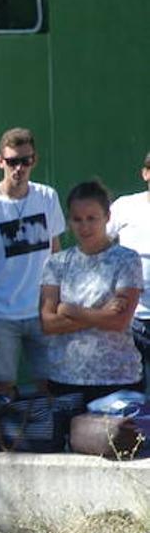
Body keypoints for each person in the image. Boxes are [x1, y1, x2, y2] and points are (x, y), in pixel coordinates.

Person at [0, 127, 65, 433]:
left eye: (25, 160)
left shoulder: (47, 197)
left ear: (34, 160)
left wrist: (58, 305)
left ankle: (53, 439)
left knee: (53, 383)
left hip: (42, 311)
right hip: (0, 314)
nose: (19, 168)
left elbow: (56, 253)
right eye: (12, 162)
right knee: (1, 388)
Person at [40, 180, 143, 402]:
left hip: (117, 380)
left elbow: (119, 321)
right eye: (77, 219)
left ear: (107, 217)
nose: (84, 227)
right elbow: (48, 324)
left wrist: (69, 309)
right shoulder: (56, 263)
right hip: (65, 379)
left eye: (92, 218)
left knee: (118, 438)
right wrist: (101, 314)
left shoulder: (127, 260)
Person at [106, 150, 150, 382]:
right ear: (145, 173)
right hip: (130, 320)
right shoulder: (125, 207)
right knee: (131, 395)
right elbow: (98, 245)